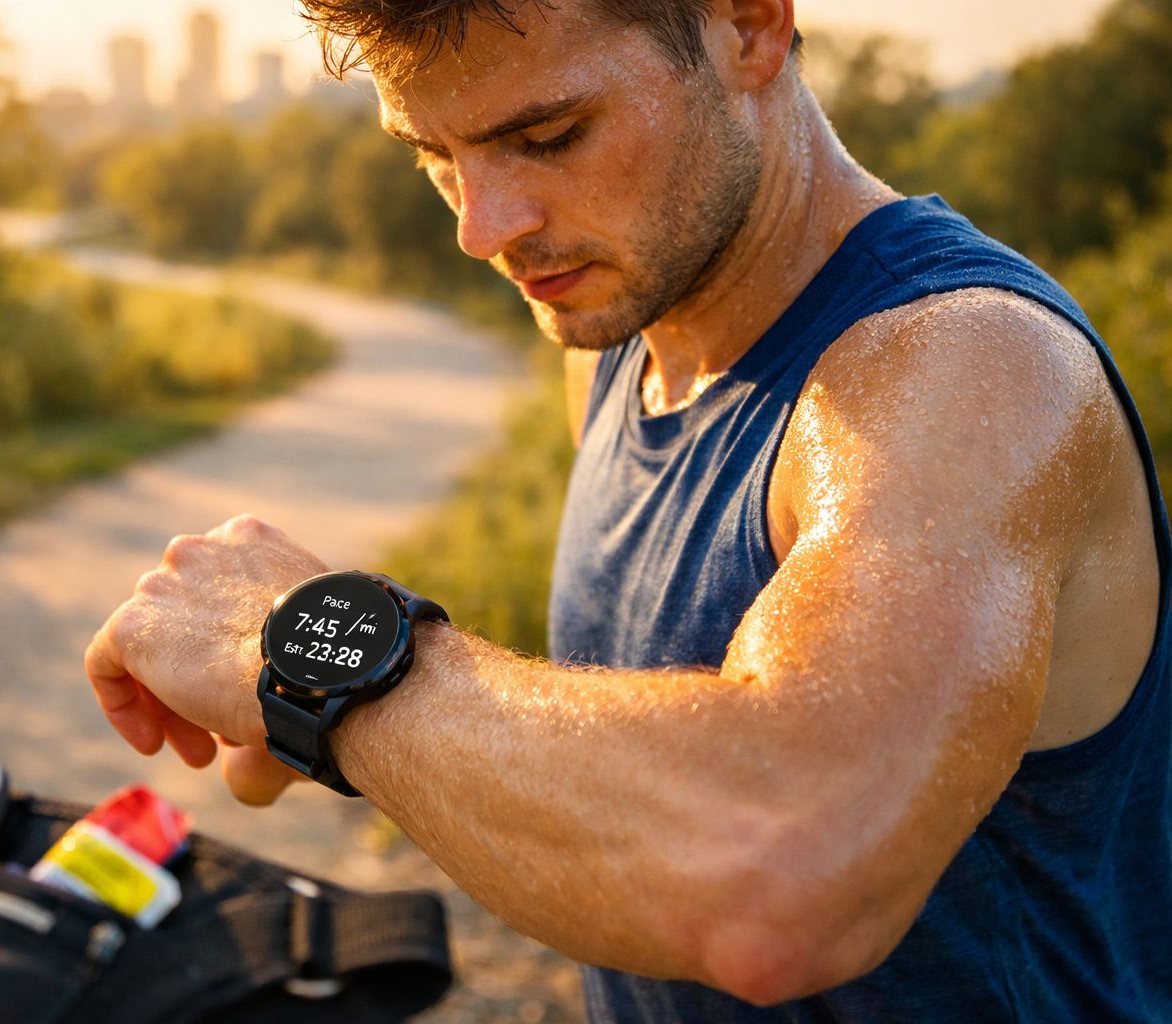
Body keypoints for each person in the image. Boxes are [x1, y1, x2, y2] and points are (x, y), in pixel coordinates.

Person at [84, 0, 1172, 1018]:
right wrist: (335, 720)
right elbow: (661, 766)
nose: (484, 228)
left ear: (748, 26)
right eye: (435, 155)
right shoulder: (620, 339)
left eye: (548, 136)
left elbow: (779, 878)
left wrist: (336, 662)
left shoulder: (970, 367)